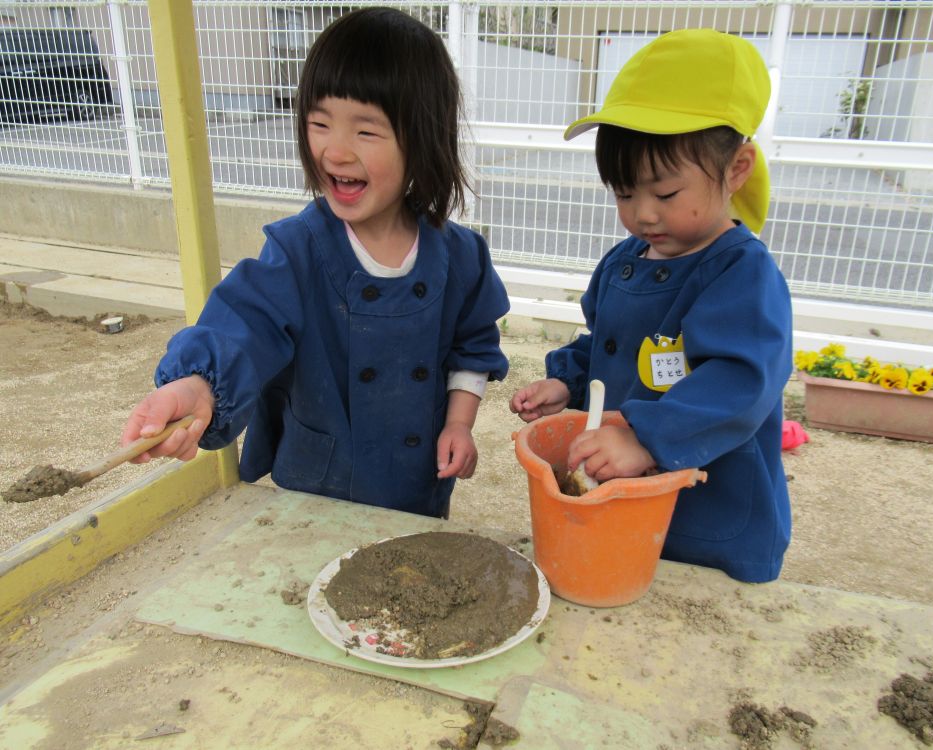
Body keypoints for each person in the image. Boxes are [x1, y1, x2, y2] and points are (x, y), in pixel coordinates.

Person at [121, 7, 509, 519]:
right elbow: (246, 322)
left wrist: (459, 423)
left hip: (415, 489)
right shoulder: (298, 248)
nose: (335, 151)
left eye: (366, 132)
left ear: (423, 140)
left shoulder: (458, 256)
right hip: (315, 493)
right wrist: (197, 384)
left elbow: (471, 350)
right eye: (319, 123)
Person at [510, 29, 792, 583]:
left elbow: (741, 382)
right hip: (623, 501)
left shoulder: (741, 274)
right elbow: (612, 340)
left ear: (736, 169)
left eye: (665, 195)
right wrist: (569, 379)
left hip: (708, 517)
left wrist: (646, 438)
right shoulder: (626, 259)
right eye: (623, 192)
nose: (643, 215)